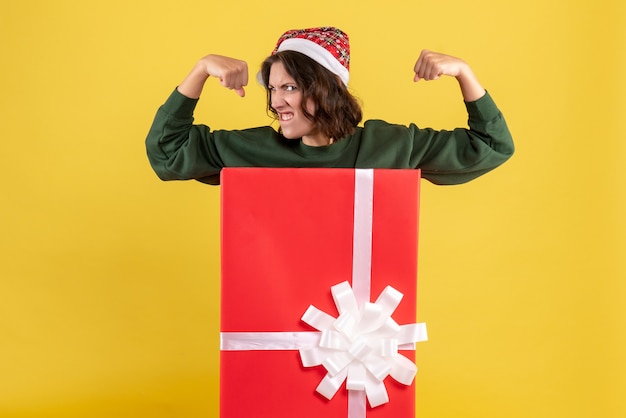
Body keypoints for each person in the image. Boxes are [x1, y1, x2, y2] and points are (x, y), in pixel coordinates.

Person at [145, 27, 514, 185]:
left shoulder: (391, 147)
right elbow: (167, 153)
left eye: (288, 87)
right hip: (274, 322)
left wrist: (465, 73)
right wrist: (199, 71)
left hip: (365, 328)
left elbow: (492, 147)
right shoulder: (255, 150)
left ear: (325, 90)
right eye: (272, 90)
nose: (276, 102)